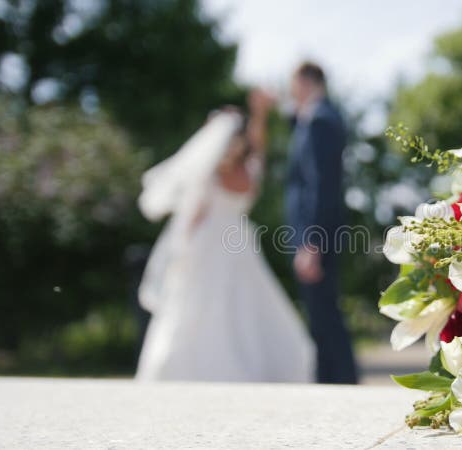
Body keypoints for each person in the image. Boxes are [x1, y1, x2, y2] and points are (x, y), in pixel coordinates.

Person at [135, 92, 315, 382]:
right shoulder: (208, 176)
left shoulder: (251, 167)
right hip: (207, 246)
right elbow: (191, 218)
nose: (232, 145)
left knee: (245, 307)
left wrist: (259, 114)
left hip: (239, 245)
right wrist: (181, 252)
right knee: (200, 306)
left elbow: (259, 142)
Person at [286, 62, 358, 384]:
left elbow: (320, 185)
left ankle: (341, 381)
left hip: (318, 235)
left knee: (324, 313)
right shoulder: (313, 119)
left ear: (307, 81)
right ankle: (333, 380)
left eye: (293, 82)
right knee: (321, 312)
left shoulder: (320, 120)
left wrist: (310, 242)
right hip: (318, 233)